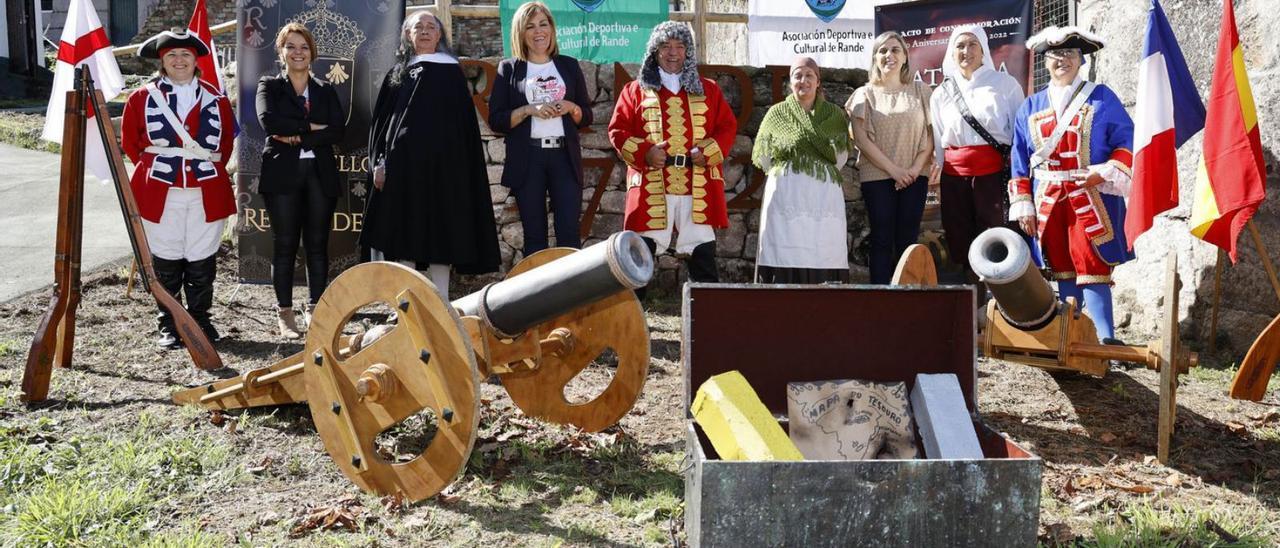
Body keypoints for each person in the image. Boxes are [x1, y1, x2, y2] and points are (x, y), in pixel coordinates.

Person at [1009, 26, 1134, 344]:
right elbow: (1019, 158)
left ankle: (1105, 339)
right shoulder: (1031, 106)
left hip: (1092, 195)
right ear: (1045, 62)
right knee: (1061, 265)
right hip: (1048, 198)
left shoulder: (1102, 97)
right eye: (1054, 55)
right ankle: (1072, 336)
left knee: (1093, 264)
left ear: (1080, 60)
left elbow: (1126, 141)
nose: (1061, 60)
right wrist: (1023, 202)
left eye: (1069, 54)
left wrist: (1103, 173)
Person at [362, 12, 500, 297]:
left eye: (430, 27)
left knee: (443, 232)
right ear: (407, 36)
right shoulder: (398, 73)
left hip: (445, 170)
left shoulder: (451, 72)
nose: (424, 31)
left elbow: (463, 130)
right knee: (404, 233)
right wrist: (379, 163)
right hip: (402, 169)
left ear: (440, 35)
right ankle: (408, 303)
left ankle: (442, 302)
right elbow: (382, 126)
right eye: (417, 27)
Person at [121, 29, 235, 349]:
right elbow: (132, 143)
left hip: (206, 190)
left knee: (201, 256)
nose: (179, 60)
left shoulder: (216, 98)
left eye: (185, 54)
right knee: (166, 257)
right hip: (159, 190)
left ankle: (199, 320)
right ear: (162, 62)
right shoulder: (141, 98)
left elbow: (224, 146)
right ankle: (169, 322)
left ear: (196, 60)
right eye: (172, 55)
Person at [608, 22, 738, 293]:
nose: (673, 53)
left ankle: (705, 319)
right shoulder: (635, 90)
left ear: (688, 52)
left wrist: (708, 152)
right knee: (638, 255)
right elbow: (618, 130)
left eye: (680, 46)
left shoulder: (710, 89)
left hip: (697, 183)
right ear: (654, 52)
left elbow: (726, 127)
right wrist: (646, 152)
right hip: (652, 183)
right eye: (666, 46)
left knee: (702, 254)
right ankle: (634, 324)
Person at [255, 23, 345, 339]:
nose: (298, 52)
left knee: (317, 246)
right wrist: (313, 129)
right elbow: (269, 122)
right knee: (285, 245)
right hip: (282, 175)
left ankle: (316, 310)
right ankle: (285, 313)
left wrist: (295, 136)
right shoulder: (269, 86)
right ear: (281, 52)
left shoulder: (324, 90)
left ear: (312, 53)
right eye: (291, 46)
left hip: (320, 175)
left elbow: (337, 130)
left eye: (304, 47)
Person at [488, 1, 592, 256]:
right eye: (530, 26)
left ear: (552, 29)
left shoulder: (568, 65)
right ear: (521, 33)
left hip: (564, 157)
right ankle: (539, 295)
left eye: (543, 24)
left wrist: (571, 107)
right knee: (534, 235)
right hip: (529, 159)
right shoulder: (509, 69)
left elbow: (586, 116)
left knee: (569, 231)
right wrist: (528, 110)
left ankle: (573, 294)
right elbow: (497, 120)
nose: (538, 32)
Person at [929, 25, 1025, 293]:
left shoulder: (1005, 85)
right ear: (951, 51)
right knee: (960, 236)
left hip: (994, 175)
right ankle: (974, 303)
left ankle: (1002, 300)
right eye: (959, 46)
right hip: (954, 178)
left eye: (972, 45)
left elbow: (1020, 134)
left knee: (997, 236)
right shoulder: (941, 93)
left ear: (983, 49)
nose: (965, 51)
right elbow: (939, 139)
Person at [752, 56, 851, 283]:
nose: (803, 80)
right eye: (798, 75)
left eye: (809, 75)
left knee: (823, 248)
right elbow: (765, 158)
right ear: (790, 82)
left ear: (818, 82)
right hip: (786, 196)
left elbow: (841, 157)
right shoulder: (776, 114)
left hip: (823, 197)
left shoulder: (834, 115)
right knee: (784, 248)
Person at [846, 31, 934, 284]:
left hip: (915, 175)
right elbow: (861, 140)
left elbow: (931, 135)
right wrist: (895, 171)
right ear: (875, 58)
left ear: (905, 57)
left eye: (895, 50)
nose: (889, 55)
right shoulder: (865, 94)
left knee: (908, 238)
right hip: (877, 176)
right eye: (882, 51)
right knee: (882, 237)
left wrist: (915, 169)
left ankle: (909, 297)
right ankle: (881, 300)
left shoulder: (921, 91)